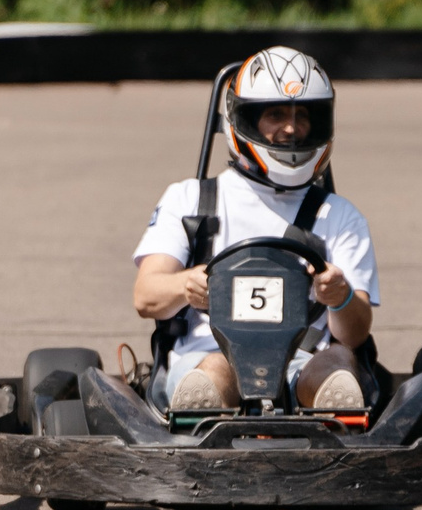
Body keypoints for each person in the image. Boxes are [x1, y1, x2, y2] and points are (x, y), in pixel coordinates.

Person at [131, 46, 378, 411]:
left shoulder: (340, 215)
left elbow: (356, 333)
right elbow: (146, 296)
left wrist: (340, 297)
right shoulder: (190, 199)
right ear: (243, 119)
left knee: (337, 360)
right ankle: (205, 406)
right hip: (207, 356)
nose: (291, 128)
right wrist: (186, 285)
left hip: (304, 362)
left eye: (303, 115)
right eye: (275, 114)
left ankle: (333, 412)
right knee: (217, 370)